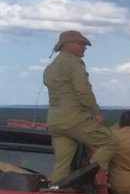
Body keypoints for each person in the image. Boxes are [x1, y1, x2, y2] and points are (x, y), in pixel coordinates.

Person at [43, 30, 120, 182]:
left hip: (54, 121)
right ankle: (87, 177)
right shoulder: (73, 62)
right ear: (68, 44)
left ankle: (56, 192)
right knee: (111, 141)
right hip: (73, 119)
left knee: (62, 163)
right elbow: (83, 90)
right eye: (81, 44)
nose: (85, 47)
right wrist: (95, 112)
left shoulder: (51, 67)